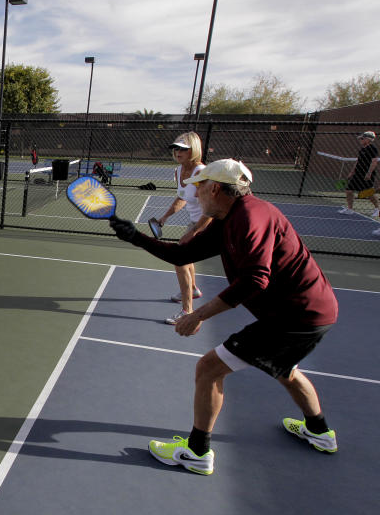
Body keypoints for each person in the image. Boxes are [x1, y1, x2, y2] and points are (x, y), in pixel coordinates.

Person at [108, 159, 339, 476]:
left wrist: (197, 315)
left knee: (209, 368)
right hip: (313, 313)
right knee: (284, 369)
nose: (196, 193)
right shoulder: (230, 216)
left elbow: (256, 279)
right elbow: (181, 254)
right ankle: (320, 431)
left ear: (215, 188)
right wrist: (135, 236)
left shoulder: (250, 218)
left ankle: (197, 452)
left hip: (293, 317)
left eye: (199, 187)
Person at [152, 132, 210, 325]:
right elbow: (182, 197)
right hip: (194, 222)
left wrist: (194, 232)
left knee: (180, 259)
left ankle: (187, 311)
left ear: (193, 149)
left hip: (210, 222)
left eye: (183, 149)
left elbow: (211, 209)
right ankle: (192, 289)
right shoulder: (179, 171)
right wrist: (164, 218)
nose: (178, 152)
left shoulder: (202, 173)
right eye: (176, 148)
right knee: (186, 257)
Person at [339, 131, 379, 217]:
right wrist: (351, 172)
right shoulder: (362, 149)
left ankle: (377, 209)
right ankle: (350, 209)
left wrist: (369, 173)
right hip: (357, 174)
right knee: (349, 190)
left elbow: (374, 161)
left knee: (368, 192)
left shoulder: (372, 148)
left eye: (362, 138)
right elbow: (358, 161)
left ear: (368, 139)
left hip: (366, 174)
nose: (360, 140)